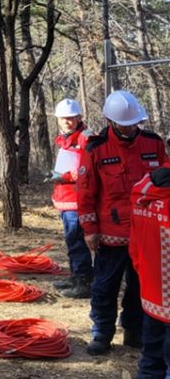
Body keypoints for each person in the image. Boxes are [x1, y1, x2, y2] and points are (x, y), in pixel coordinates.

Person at [77, 90, 166, 356]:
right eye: (124, 124)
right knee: (105, 287)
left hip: (146, 234)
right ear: (110, 121)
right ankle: (102, 333)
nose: (130, 128)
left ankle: (134, 332)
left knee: (141, 289)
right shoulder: (95, 148)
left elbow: (164, 185)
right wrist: (89, 230)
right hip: (111, 235)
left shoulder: (153, 143)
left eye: (133, 123)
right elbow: (85, 193)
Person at [49, 98, 94, 299]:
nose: (67, 122)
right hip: (65, 199)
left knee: (77, 241)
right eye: (63, 118)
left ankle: (84, 281)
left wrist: (65, 176)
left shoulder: (86, 138)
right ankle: (76, 276)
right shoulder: (64, 138)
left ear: (79, 117)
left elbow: (88, 170)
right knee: (71, 240)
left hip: (77, 201)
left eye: (71, 118)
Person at [130, 163, 170, 378]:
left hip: (152, 296)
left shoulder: (142, 191)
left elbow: (135, 246)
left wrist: (146, 277)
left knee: (151, 358)